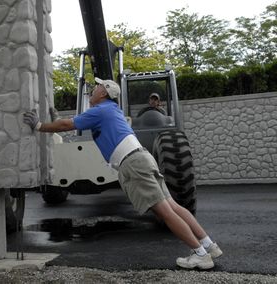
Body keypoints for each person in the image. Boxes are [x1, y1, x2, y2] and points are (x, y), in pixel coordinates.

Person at [23, 77, 222, 270]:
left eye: (97, 87)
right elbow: (72, 125)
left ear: (103, 93)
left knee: (165, 212)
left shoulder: (100, 110)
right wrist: (56, 120)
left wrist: (39, 126)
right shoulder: (110, 110)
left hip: (133, 164)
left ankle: (200, 255)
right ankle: (209, 246)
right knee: (174, 207)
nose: (93, 89)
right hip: (142, 158)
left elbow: (68, 125)